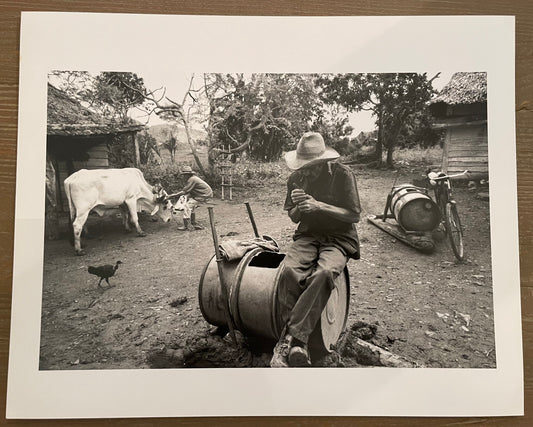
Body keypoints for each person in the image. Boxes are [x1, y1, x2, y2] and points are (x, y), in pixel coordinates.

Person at [271, 132, 361, 367]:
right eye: (302, 167)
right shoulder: (296, 179)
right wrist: (299, 206)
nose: (305, 171)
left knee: (323, 273)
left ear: (323, 163)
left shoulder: (342, 175)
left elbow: (354, 215)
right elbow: (293, 216)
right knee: (289, 271)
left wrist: (319, 205)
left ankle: (291, 340)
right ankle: (300, 346)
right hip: (308, 235)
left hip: (338, 237)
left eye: (311, 167)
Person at [174, 166, 213, 231]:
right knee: (191, 204)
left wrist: (172, 195)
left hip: (204, 195)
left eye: (184, 175)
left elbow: (185, 191)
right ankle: (193, 222)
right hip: (203, 194)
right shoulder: (193, 178)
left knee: (187, 206)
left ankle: (187, 225)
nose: (183, 177)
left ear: (187, 175)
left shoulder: (192, 179)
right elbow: (189, 191)